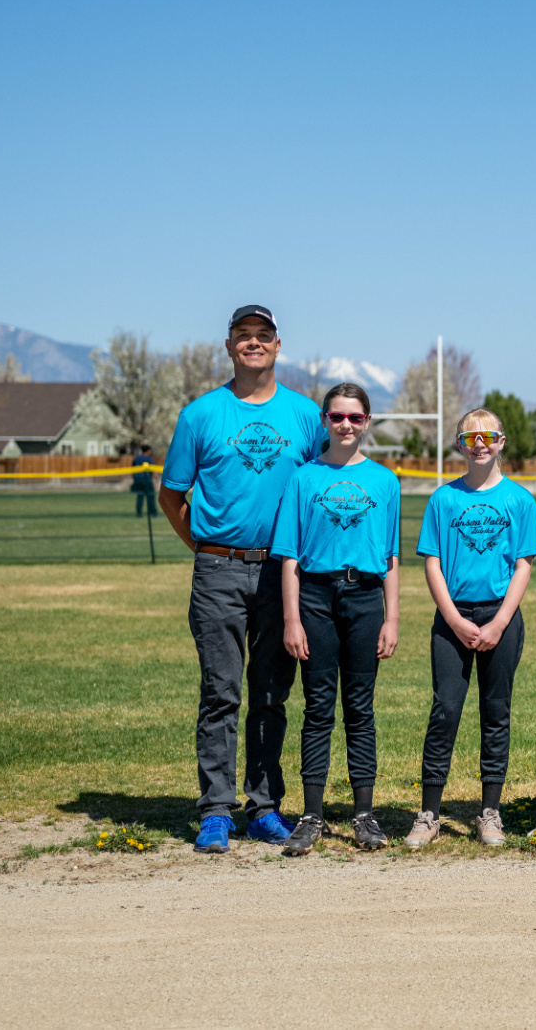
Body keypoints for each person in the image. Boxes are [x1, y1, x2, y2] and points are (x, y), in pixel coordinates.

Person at [159, 305, 326, 853]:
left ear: (278, 345)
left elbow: (320, 488)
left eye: (263, 335)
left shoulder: (305, 416)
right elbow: (171, 495)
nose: (253, 343)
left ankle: (264, 807)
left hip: (282, 573)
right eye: (243, 335)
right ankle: (215, 810)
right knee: (220, 692)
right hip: (219, 570)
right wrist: (207, 549)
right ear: (229, 346)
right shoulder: (200, 415)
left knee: (272, 694)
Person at [271, 383, 401, 854]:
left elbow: (390, 557)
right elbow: (289, 557)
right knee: (319, 708)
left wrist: (392, 617)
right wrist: (292, 619)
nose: (346, 424)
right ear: (324, 420)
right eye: (337, 416)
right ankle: (312, 815)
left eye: (355, 417)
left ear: (367, 422)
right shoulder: (304, 478)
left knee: (360, 709)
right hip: (316, 597)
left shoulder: (384, 481)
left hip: (364, 598)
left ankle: (364, 815)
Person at [407, 408, 536, 849]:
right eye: (470, 438)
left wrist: (500, 621)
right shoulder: (444, 499)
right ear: (460, 445)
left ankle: (490, 812)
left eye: (488, 436)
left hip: (501, 616)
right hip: (453, 617)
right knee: (445, 710)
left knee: (495, 712)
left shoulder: (519, 499)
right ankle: (429, 813)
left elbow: (524, 565)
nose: (479, 444)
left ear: (501, 441)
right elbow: (432, 562)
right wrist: (453, 619)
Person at [131, 445, 157, 518]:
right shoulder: (148, 458)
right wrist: (156, 478)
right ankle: (153, 513)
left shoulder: (137, 458)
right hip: (147, 480)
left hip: (138, 480)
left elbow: (132, 469)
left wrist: (134, 478)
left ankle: (139, 513)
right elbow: (153, 469)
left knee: (140, 496)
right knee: (150, 496)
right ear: (148, 450)